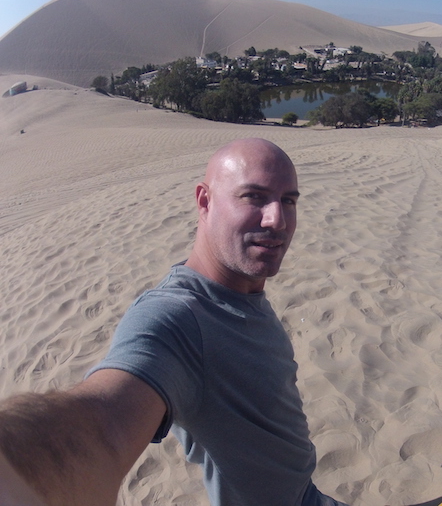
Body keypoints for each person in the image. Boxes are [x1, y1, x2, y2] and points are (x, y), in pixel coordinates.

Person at [0, 138, 348, 506]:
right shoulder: (178, 318)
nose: (276, 219)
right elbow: (105, 426)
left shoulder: (240, 292)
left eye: (288, 200)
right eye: (254, 197)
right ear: (204, 201)